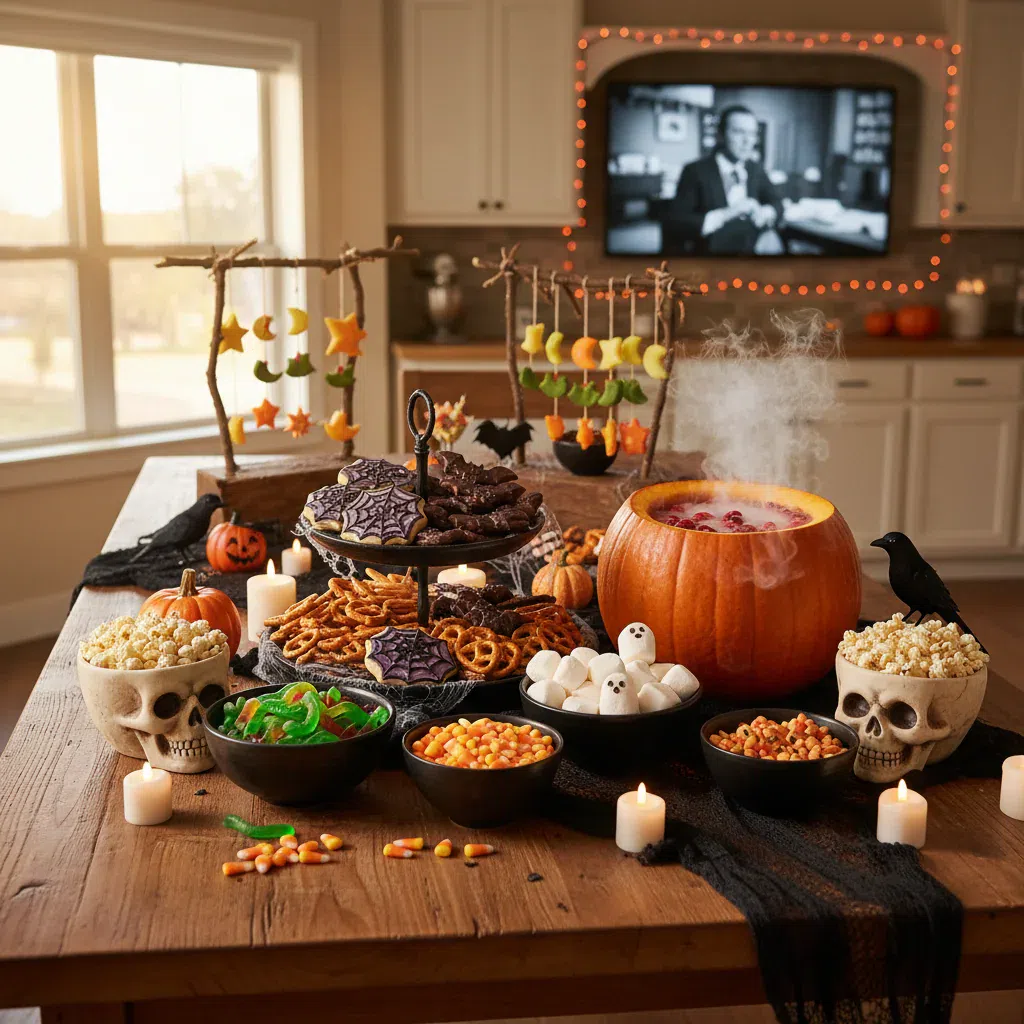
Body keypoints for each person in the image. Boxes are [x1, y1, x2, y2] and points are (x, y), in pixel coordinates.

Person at [665, 105, 783, 255]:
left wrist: (765, 212)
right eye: (739, 132)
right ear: (720, 135)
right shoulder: (694, 171)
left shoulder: (755, 169)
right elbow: (677, 222)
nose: (748, 141)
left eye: (752, 134)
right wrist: (729, 213)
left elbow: (778, 204)